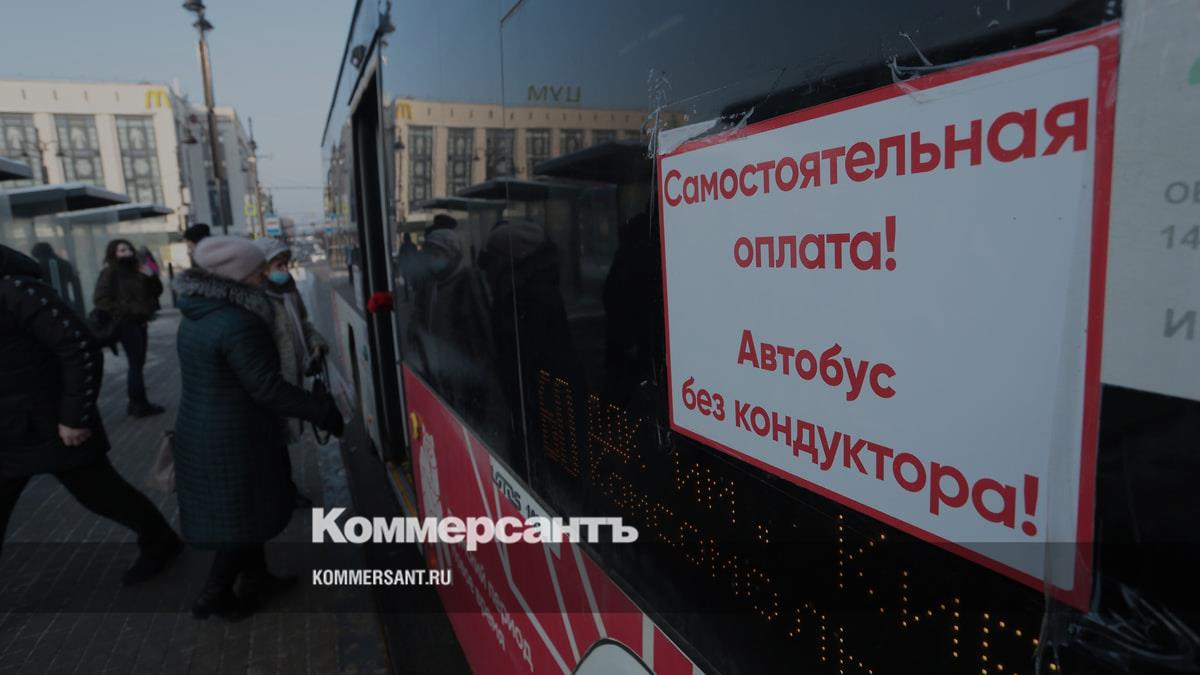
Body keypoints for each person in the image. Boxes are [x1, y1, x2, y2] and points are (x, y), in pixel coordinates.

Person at [173, 236, 344, 620]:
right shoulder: (237, 323)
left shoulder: (198, 313)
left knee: (245, 512)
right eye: (256, 271)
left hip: (208, 428)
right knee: (240, 520)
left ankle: (257, 578)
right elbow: (267, 387)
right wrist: (320, 410)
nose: (263, 276)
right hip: (234, 434)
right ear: (234, 276)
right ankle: (213, 595)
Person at [0, 244, 182, 584]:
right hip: (8, 428)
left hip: (51, 423)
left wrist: (74, 417)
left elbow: (79, 346)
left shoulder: (16, 289)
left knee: (100, 493)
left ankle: (160, 540)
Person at [254, 237, 330, 507]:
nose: (285, 270)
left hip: (292, 375)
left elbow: (304, 323)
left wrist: (316, 344)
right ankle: (281, 493)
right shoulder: (259, 300)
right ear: (263, 269)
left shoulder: (290, 291)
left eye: (286, 264)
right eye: (278, 265)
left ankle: (285, 490)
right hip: (273, 380)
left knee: (281, 440)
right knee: (273, 439)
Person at [93, 239, 165, 417]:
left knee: (138, 363)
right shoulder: (110, 272)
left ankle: (137, 403)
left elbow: (156, 291)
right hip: (126, 323)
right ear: (114, 253)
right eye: (122, 250)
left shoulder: (137, 269)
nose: (127, 252)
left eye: (128, 249)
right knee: (136, 363)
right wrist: (126, 311)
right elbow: (101, 299)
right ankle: (139, 404)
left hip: (140, 321)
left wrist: (151, 276)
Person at [29, 242, 85, 317]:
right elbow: (75, 284)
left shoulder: (40, 266)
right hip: (65, 300)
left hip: (48, 302)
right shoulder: (65, 264)